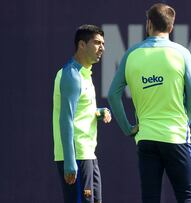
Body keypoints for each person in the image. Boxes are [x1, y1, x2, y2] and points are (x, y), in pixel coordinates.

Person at [107, 3, 191, 203]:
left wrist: (127, 128)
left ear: (148, 24)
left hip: (145, 138)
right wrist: (183, 125)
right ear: (171, 27)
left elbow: (113, 94)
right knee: (186, 196)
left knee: (150, 198)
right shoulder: (182, 53)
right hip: (175, 137)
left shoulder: (131, 53)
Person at [52, 24, 111, 203]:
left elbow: (80, 111)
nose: (102, 48)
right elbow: (66, 118)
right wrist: (70, 161)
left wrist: (98, 112)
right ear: (82, 45)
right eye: (97, 43)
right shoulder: (71, 75)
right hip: (76, 157)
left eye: (103, 43)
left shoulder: (85, 74)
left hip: (88, 155)